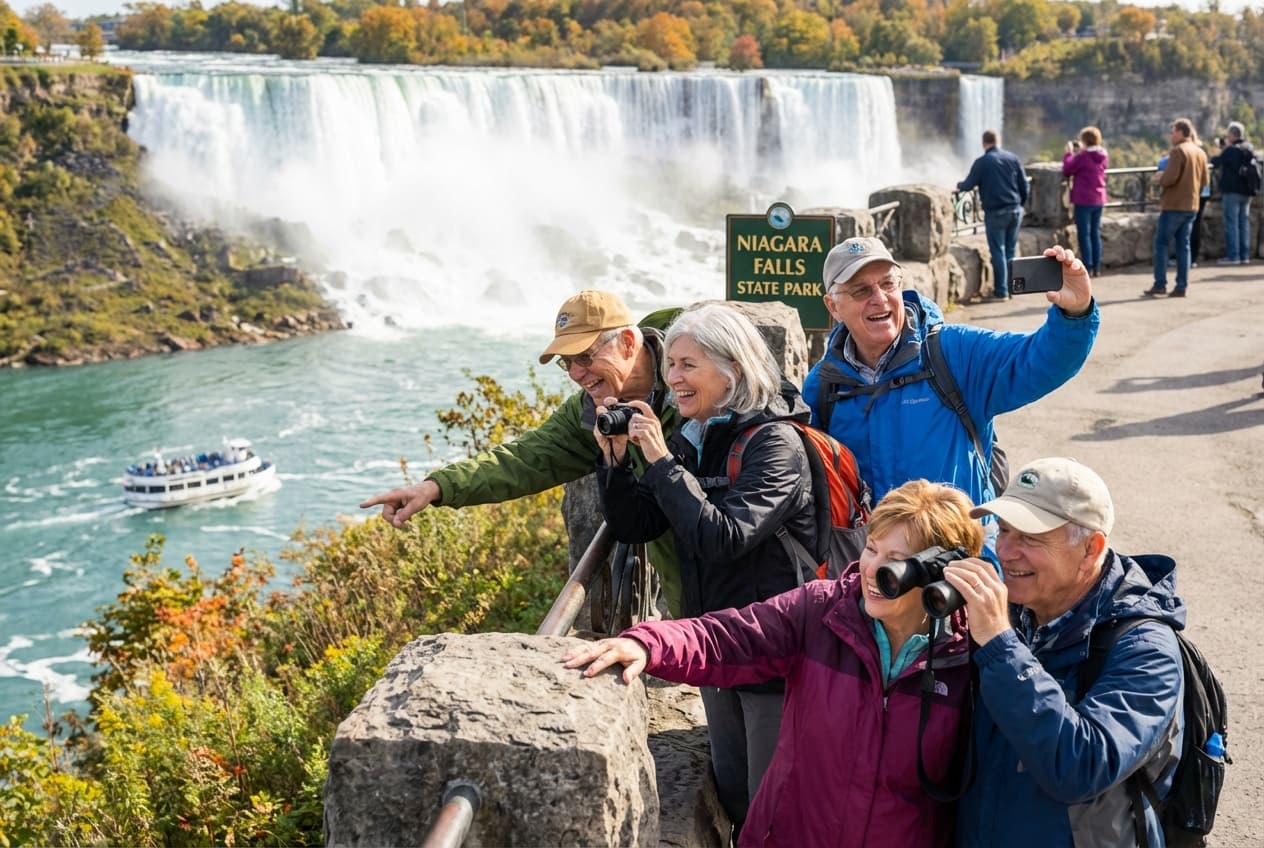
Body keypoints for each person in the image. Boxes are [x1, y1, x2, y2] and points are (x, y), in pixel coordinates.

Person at [563, 479, 985, 848]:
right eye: (872, 548)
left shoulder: (971, 654)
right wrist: (648, 643)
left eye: (896, 560)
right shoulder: (822, 611)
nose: (873, 569)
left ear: (939, 572)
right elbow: (727, 638)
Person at [581, 302, 816, 836]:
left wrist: (662, 461)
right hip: (715, 645)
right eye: (671, 367)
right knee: (733, 792)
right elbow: (636, 523)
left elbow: (723, 538)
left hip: (772, 654)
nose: (673, 379)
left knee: (773, 805)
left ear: (731, 369)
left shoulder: (775, 445)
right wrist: (616, 460)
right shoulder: (696, 439)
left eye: (688, 365)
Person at [359, 289, 688, 614]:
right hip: (691, 604)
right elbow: (524, 459)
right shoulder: (592, 414)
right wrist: (435, 487)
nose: (575, 373)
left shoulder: (699, 383)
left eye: (585, 357)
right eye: (566, 362)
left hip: (732, 588)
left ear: (628, 343)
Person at [942, 457, 1185, 847]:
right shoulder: (1018, 607)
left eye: (1030, 538)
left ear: (1091, 548)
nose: (1004, 551)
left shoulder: (1147, 649)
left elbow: (1082, 766)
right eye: (1003, 530)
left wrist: (1000, 645)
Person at [802, 237, 1098, 538]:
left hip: (961, 561)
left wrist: (1074, 314)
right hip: (879, 570)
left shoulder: (953, 353)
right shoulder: (823, 385)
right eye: (861, 290)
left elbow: (1037, 361)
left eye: (888, 284)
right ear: (833, 306)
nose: (879, 298)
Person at [958, 129, 1029, 301]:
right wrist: (1021, 205)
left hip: (996, 212)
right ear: (998, 141)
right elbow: (1024, 186)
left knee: (998, 251)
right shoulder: (1012, 158)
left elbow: (968, 185)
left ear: (984, 143)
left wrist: (959, 184)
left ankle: (1001, 292)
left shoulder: (982, 162)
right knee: (1010, 251)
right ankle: (1013, 289)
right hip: (1014, 210)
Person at [1145, 118, 1210, 298]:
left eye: (1173, 131)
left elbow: (1170, 179)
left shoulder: (1178, 152)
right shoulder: (1200, 152)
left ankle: (1160, 284)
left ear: (1181, 132)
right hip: (1192, 205)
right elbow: (1205, 181)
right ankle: (1181, 286)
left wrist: (1160, 177)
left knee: (1161, 244)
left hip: (1174, 205)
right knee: (1184, 246)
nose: (1171, 135)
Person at [1063, 126, 1108, 277]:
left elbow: (1068, 169)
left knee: (1084, 234)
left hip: (1084, 199)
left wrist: (1069, 154)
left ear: (1085, 141)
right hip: (1099, 199)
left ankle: (1087, 267)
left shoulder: (1083, 157)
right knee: (1095, 233)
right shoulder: (1102, 155)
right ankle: (1097, 266)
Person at [1210, 122, 1256, 266]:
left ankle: (1233, 256)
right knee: (1243, 223)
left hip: (1232, 191)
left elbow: (1216, 162)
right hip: (1247, 191)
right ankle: (1244, 255)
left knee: (1231, 224)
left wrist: (1223, 149)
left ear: (1232, 135)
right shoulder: (1249, 147)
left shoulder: (1231, 150)